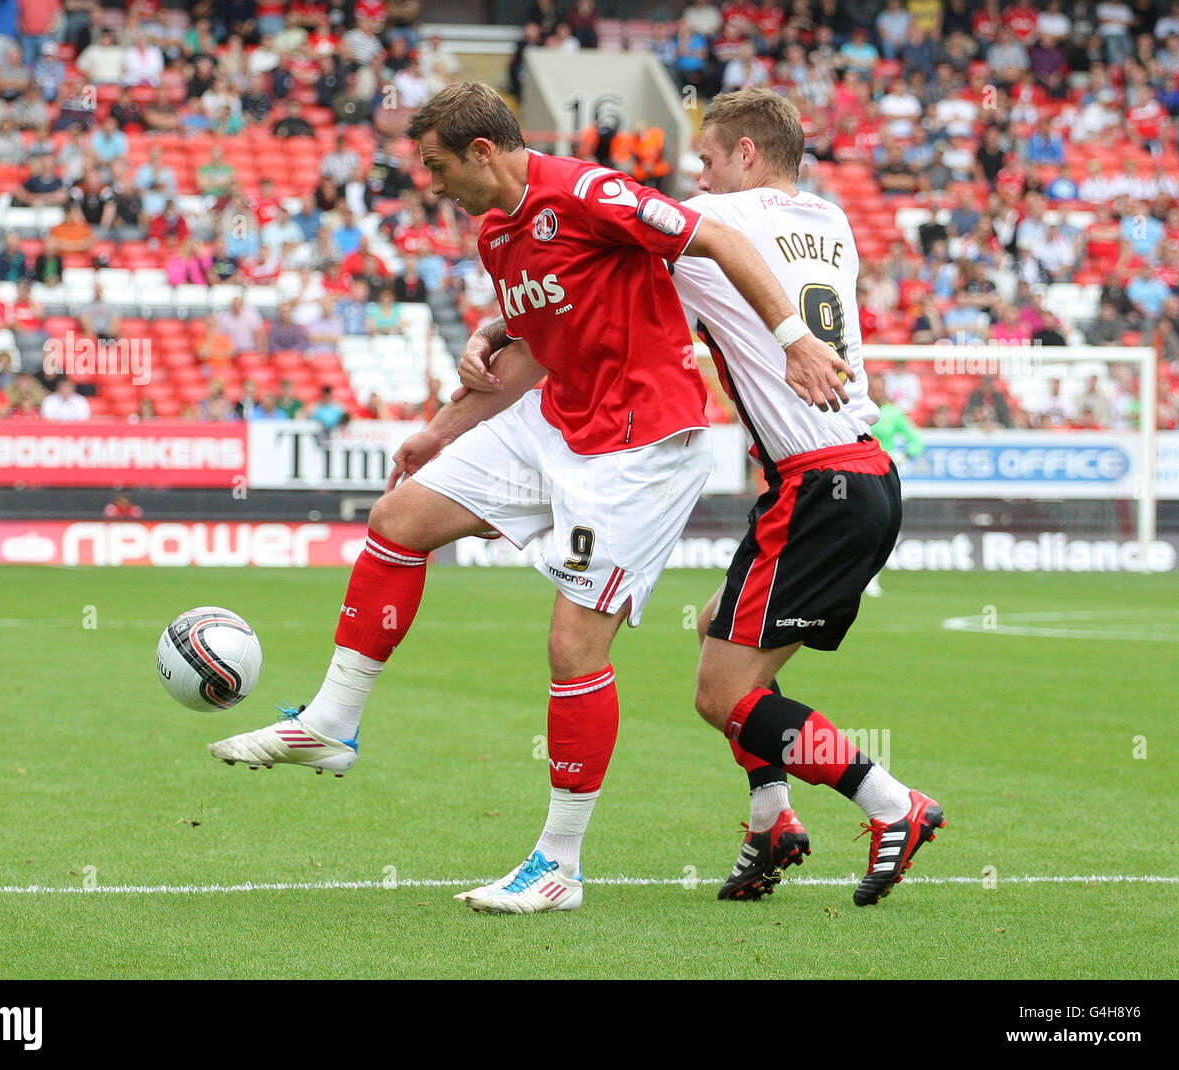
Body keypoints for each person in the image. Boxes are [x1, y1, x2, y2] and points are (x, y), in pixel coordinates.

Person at [207, 82, 849, 914]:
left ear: (482, 152)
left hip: (639, 446)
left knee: (572, 649)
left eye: (437, 165)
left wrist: (794, 342)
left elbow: (716, 236)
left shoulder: (587, 192)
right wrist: (439, 429)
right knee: (397, 520)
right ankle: (331, 723)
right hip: (557, 418)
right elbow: (533, 352)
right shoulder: (497, 233)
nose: (430, 183)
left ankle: (558, 866)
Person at [582, 88, 943, 907]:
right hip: (861, 475)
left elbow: (605, 257)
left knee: (721, 693)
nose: (695, 179)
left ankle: (894, 805)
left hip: (819, 482)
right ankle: (772, 821)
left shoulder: (717, 228)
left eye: (706, 160)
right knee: (718, 629)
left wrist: (502, 326)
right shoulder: (832, 223)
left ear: (746, 153)